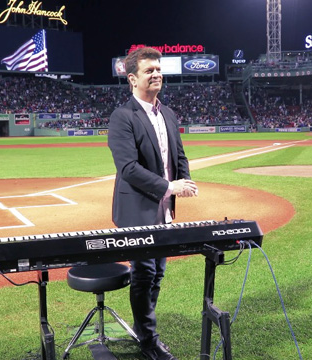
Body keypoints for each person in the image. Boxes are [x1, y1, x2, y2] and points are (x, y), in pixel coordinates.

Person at [107, 47, 198, 360]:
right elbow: (128, 168)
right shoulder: (122, 117)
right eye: (149, 71)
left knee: (157, 274)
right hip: (137, 210)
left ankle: (143, 327)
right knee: (144, 272)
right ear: (132, 79)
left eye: (158, 69)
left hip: (164, 209)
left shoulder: (168, 113)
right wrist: (168, 186)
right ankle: (148, 341)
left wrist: (183, 183)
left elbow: (179, 155)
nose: (157, 74)